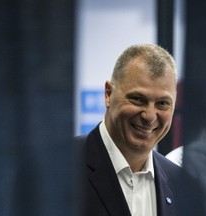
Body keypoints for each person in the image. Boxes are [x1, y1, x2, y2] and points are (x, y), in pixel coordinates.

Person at [74, 44, 181, 216]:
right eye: (138, 99)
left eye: (162, 103)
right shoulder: (55, 169)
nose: (150, 116)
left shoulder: (183, 185)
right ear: (108, 94)